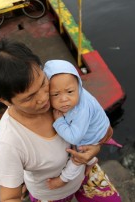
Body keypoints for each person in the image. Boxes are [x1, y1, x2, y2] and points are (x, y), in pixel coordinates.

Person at [0, 39, 121, 202]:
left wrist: (96, 147)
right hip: (51, 193)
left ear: (41, 68)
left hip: (84, 172)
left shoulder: (59, 88)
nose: (44, 98)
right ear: (5, 101)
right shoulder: (9, 140)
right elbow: (9, 198)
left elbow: (102, 127)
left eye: (42, 84)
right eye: (29, 98)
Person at [43, 60, 113, 190]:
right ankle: (92, 161)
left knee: (77, 155)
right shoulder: (74, 97)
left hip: (94, 133)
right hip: (95, 126)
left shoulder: (82, 110)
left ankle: (63, 179)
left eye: (70, 92)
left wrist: (59, 122)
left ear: (79, 86)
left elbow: (74, 137)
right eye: (55, 94)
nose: (64, 99)